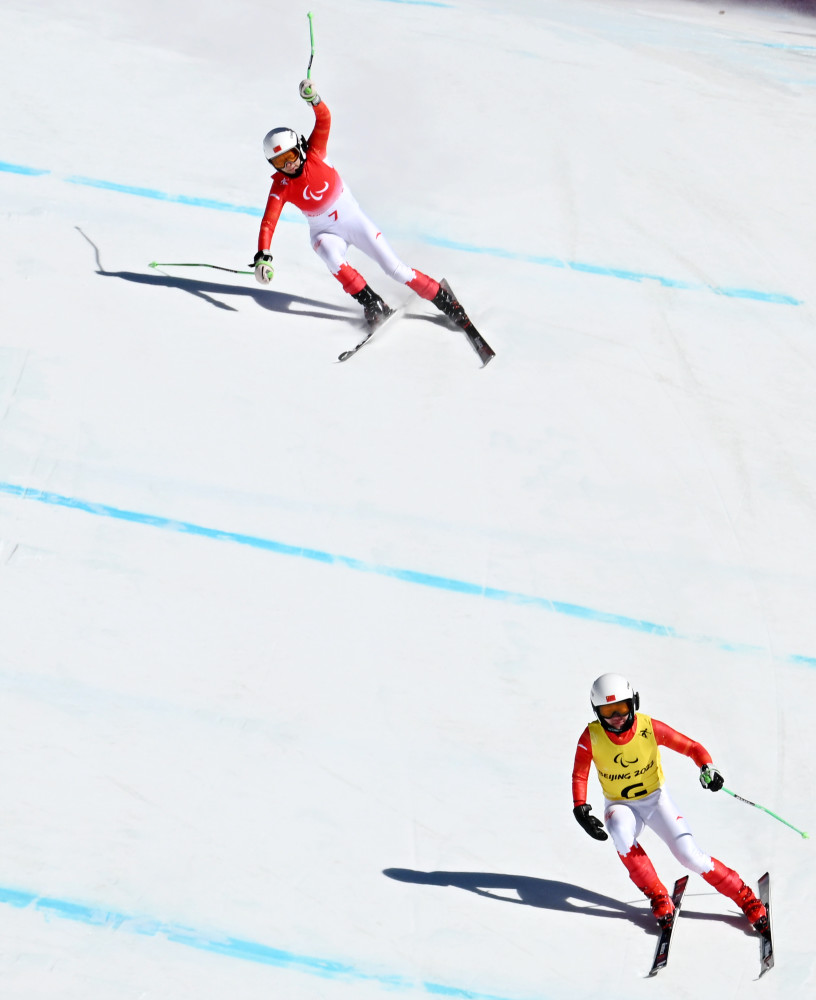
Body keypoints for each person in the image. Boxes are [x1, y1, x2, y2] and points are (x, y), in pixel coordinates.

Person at [253, 80, 467, 330]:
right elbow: (269, 222)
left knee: (396, 270)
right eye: (280, 162)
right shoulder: (280, 186)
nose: (288, 165)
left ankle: (445, 301)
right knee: (331, 258)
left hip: (353, 220)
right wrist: (263, 257)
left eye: (290, 156)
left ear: (300, 148)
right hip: (323, 231)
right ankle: (374, 305)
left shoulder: (316, 153)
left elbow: (324, 120)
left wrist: (314, 100)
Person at [571, 672, 768, 930]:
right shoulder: (591, 737)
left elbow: (692, 748)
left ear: (634, 703)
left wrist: (707, 768)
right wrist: (580, 808)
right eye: (608, 711)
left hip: (655, 801)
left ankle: (744, 896)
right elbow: (579, 774)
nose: (617, 717)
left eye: (622, 707)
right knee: (620, 832)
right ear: (597, 712)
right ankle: (657, 895)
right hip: (620, 805)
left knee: (689, 855)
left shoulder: (648, 728)